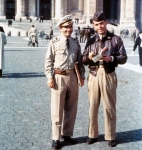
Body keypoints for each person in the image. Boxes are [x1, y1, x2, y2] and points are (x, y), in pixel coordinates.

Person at [82, 12, 127, 147]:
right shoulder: (90, 41)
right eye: (96, 24)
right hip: (94, 74)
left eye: (101, 23)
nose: (99, 26)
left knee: (109, 106)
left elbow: (124, 57)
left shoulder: (116, 39)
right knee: (93, 106)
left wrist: (112, 58)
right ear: (94, 26)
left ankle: (111, 135)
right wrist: (89, 57)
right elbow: (83, 60)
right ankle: (92, 134)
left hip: (108, 74)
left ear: (106, 22)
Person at [44, 14, 85, 149]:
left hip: (72, 77)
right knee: (57, 109)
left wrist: (82, 76)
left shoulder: (75, 42)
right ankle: (56, 138)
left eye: (71, 26)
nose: (69, 29)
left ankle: (67, 134)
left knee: (71, 108)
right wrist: (49, 77)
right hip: (58, 77)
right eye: (66, 27)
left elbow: (79, 61)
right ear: (61, 28)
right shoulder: (54, 42)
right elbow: (48, 61)